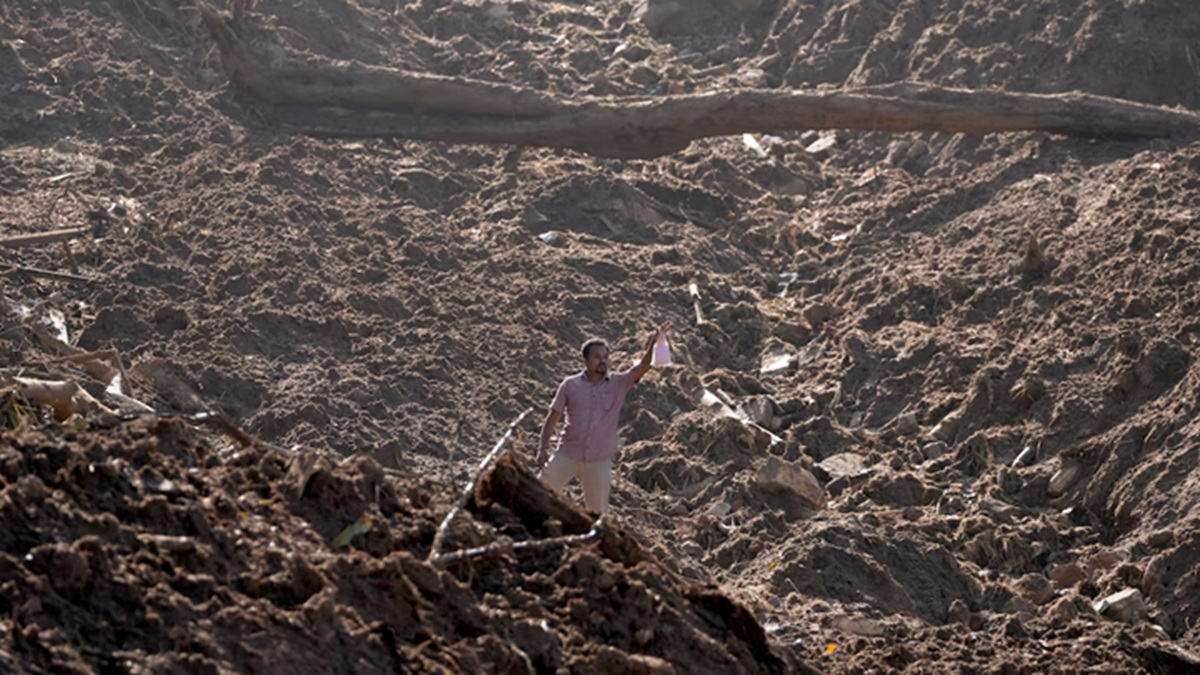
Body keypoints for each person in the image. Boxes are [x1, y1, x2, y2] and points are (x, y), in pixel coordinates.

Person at [537, 323, 671, 515]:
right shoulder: (570, 385)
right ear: (585, 360)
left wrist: (653, 343)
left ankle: (594, 542)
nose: (603, 361)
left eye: (605, 357)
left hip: (599, 461)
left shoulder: (619, 383)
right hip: (567, 453)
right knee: (538, 492)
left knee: (598, 514)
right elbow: (552, 418)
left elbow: (644, 366)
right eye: (597, 357)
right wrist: (542, 448)